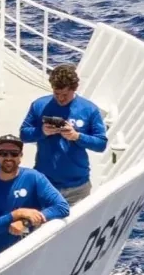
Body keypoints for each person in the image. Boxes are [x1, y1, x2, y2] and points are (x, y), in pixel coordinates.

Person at [0, 135, 70, 275]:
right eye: (3, 153)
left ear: (21, 156)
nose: (8, 157)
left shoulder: (34, 177)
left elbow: (62, 207)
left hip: (9, 252)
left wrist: (26, 221)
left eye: (14, 153)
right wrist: (16, 214)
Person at [20, 64, 109, 205]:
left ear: (74, 89)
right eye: (57, 94)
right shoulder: (39, 105)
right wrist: (41, 131)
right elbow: (24, 135)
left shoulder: (89, 109)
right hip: (44, 183)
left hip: (77, 188)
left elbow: (101, 144)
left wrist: (77, 136)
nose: (60, 99)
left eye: (65, 95)